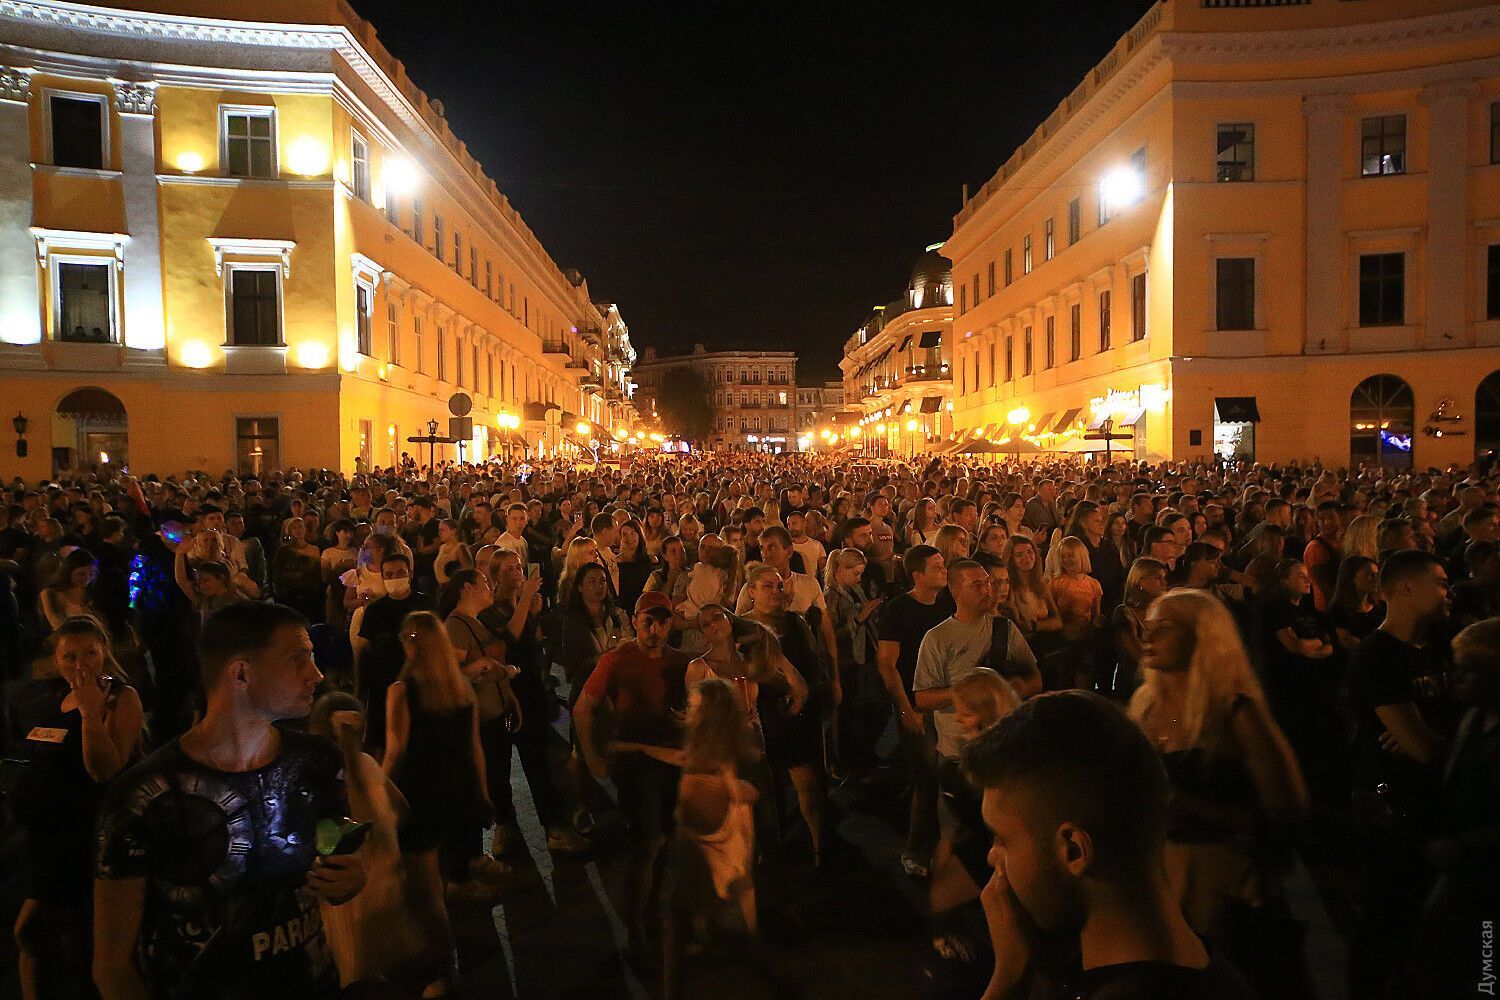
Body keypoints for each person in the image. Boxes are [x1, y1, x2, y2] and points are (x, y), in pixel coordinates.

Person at [94, 602, 367, 1000]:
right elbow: (112, 965)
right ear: (240, 672)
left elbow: (336, 876)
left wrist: (351, 878)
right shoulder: (144, 795)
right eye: (298, 659)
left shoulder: (318, 763)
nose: (317, 675)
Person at [963, 691, 1256, 1000]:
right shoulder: (1204, 970)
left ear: (1073, 849)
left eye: (1001, 840)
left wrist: (1007, 978)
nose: (991, 857)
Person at [1130, 590, 1311, 999]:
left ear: (1201, 636)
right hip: (1161, 884)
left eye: (1164, 629)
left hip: (1223, 889)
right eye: (1147, 626)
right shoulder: (1143, 705)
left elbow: (1289, 808)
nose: (1147, 636)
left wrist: (1192, 808)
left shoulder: (1236, 711)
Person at [9, 616, 144, 1000]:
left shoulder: (120, 698)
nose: (81, 665)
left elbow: (104, 769)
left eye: (90, 653)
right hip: (47, 840)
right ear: (56, 658)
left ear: (105, 652)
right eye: (70, 656)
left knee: (37, 933)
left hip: (90, 838)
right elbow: (31, 755)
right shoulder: (49, 697)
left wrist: (89, 714)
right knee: (43, 940)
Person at [1346, 549, 1452, 999]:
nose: (1449, 591)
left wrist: (1433, 727)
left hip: (1440, 807)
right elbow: (1422, 748)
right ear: (1406, 588)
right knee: (1390, 916)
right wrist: (1434, 731)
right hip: (1396, 809)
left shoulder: (1447, 643)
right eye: (1441, 582)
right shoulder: (1377, 657)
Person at [574, 591, 690, 965]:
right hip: (635, 764)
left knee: (667, 842)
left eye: (661, 621)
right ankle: (637, 932)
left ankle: (653, 911)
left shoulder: (681, 662)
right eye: (647, 621)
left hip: (672, 761)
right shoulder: (616, 660)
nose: (654, 629)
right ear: (635, 621)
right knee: (648, 844)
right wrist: (593, 759)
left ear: (670, 623)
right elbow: (582, 709)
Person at [383, 610, 498, 912]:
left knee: (422, 873)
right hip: (456, 784)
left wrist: (378, 790)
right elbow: (475, 746)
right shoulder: (461, 688)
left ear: (410, 644)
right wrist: (481, 791)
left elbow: (396, 749)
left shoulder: (401, 692)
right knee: (451, 859)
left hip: (418, 790)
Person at [662, 677, 761, 1000]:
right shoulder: (735, 758)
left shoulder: (700, 780)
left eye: (692, 709)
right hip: (733, 877)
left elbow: (691, 837)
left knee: (681, 952)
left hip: (708, 884)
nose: (686, 713)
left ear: (708, 719)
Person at [1417, 617, 1500, 1000]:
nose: (1457, 676)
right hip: (1464, 877)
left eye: (1471, 669)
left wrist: (1465, 846)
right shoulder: (1473, 718)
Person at [927, 669, 1019, 964]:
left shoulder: (1005, 761)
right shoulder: (974, 756)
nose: (957, 718)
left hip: (1004, 850)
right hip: (979, 841)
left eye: (964, 713)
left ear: (985, 712)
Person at [877, 544, 954, 877]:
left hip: (947, 703)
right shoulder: (898, 610)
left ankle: (947, 849)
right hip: (916, 703)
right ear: (917, 574)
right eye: (937, 567)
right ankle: (916, 850)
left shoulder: (949, 604)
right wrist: (905, 709)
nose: (944, 571)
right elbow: (887, 664)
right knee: (925, 780)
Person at [355, 552, 433, 751]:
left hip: (422, 687)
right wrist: (360, 694)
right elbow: (363, 651)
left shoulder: (425, 605)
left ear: (410, 573)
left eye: (400, 573)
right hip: (383, 688)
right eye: (388, 574)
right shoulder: (374, 611)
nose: (394, 578)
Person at [823, 546, 884, 777]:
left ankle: (866, 753)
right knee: (855, 713)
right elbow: (830, 637)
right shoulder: (830, 597)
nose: (859, 578)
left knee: (874, 709)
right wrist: (859, 618)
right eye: (856, 573)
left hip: (866, 654)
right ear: (840, 570)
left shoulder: (855, 590)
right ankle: (857, 761)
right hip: (848, 662)